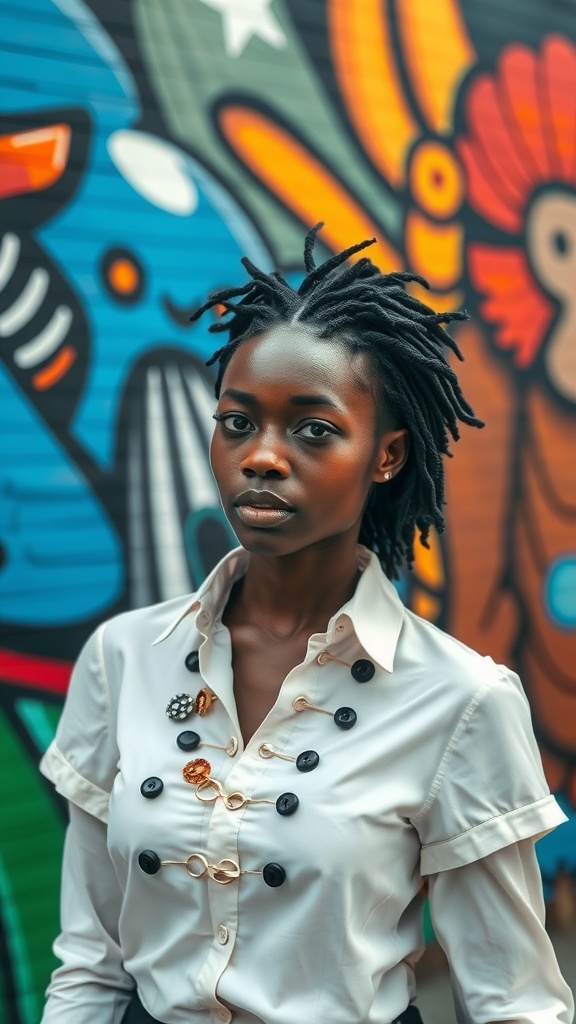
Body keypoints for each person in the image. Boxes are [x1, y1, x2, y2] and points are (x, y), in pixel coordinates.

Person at [40, 226, 573, 1024]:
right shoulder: (123, 658)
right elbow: (89, 964)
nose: (261, 456)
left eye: (313, 430)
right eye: (238, 423)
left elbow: (514, 1004)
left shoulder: (461, 700)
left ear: (386, 455)